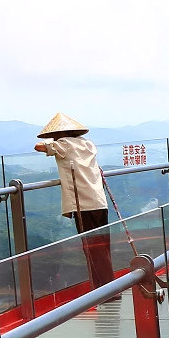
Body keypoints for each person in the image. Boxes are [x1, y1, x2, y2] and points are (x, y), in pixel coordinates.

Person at [34, 112, 112, 287]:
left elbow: (38, 147)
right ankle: (110, 287)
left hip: (83, 203)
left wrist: (51, 143)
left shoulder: (63, 144)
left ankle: (103, 290)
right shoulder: (88, 144)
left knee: (91, 249)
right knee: (103, 247)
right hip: (99, 200)